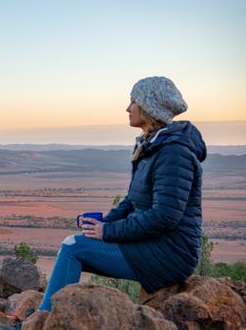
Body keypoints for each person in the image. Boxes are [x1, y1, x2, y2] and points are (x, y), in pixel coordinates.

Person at [26, 76, 206, 328]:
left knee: (73, 247)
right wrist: (103, 223)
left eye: (133, 101)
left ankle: (41, 323)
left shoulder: (173, 152)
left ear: (150, 106)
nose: (127, 108)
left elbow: (165, 216)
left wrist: (107, 232)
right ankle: (44, 319)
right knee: (78, 242)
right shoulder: (152, 146)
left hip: (170, 253)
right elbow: (132, 202)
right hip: (153, 244)